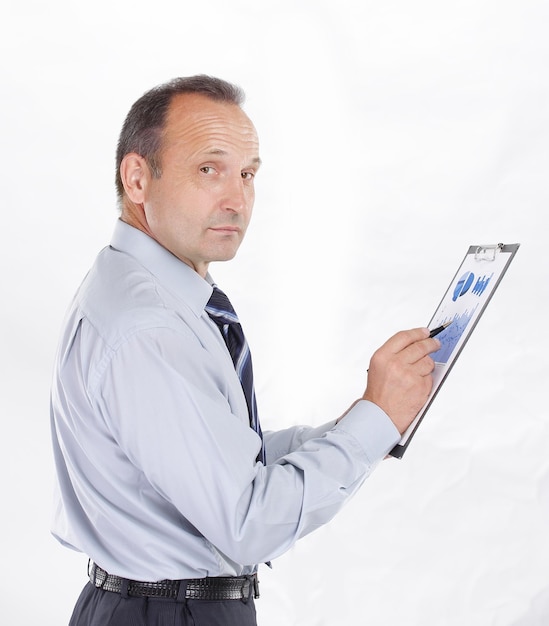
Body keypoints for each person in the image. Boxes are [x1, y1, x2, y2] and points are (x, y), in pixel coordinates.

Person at [50, 75, 439, 626]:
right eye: (209, 169)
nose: (237, 199)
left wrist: (366, 419)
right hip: (167, 614)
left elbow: (227, 458)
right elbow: (251, 521)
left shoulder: (150, 294)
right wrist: (374, 422)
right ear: (137, 179)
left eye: (248, 174)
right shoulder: (148, 327)